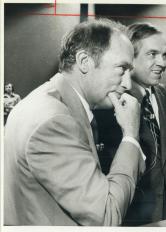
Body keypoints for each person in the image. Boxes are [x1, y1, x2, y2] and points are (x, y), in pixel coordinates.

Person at [4, 19, 145, 226]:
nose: (127, 83)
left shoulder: (44, 101)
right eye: (121, 69)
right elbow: (107, 215)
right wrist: (131, 135)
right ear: (84, 62)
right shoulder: (56, 122)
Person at [123, 23, 166, 225]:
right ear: (130, 58)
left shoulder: (163, 93)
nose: (162, 63)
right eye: (153, 54)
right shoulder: (116, 100)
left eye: (164, 55)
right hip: (134, 212)